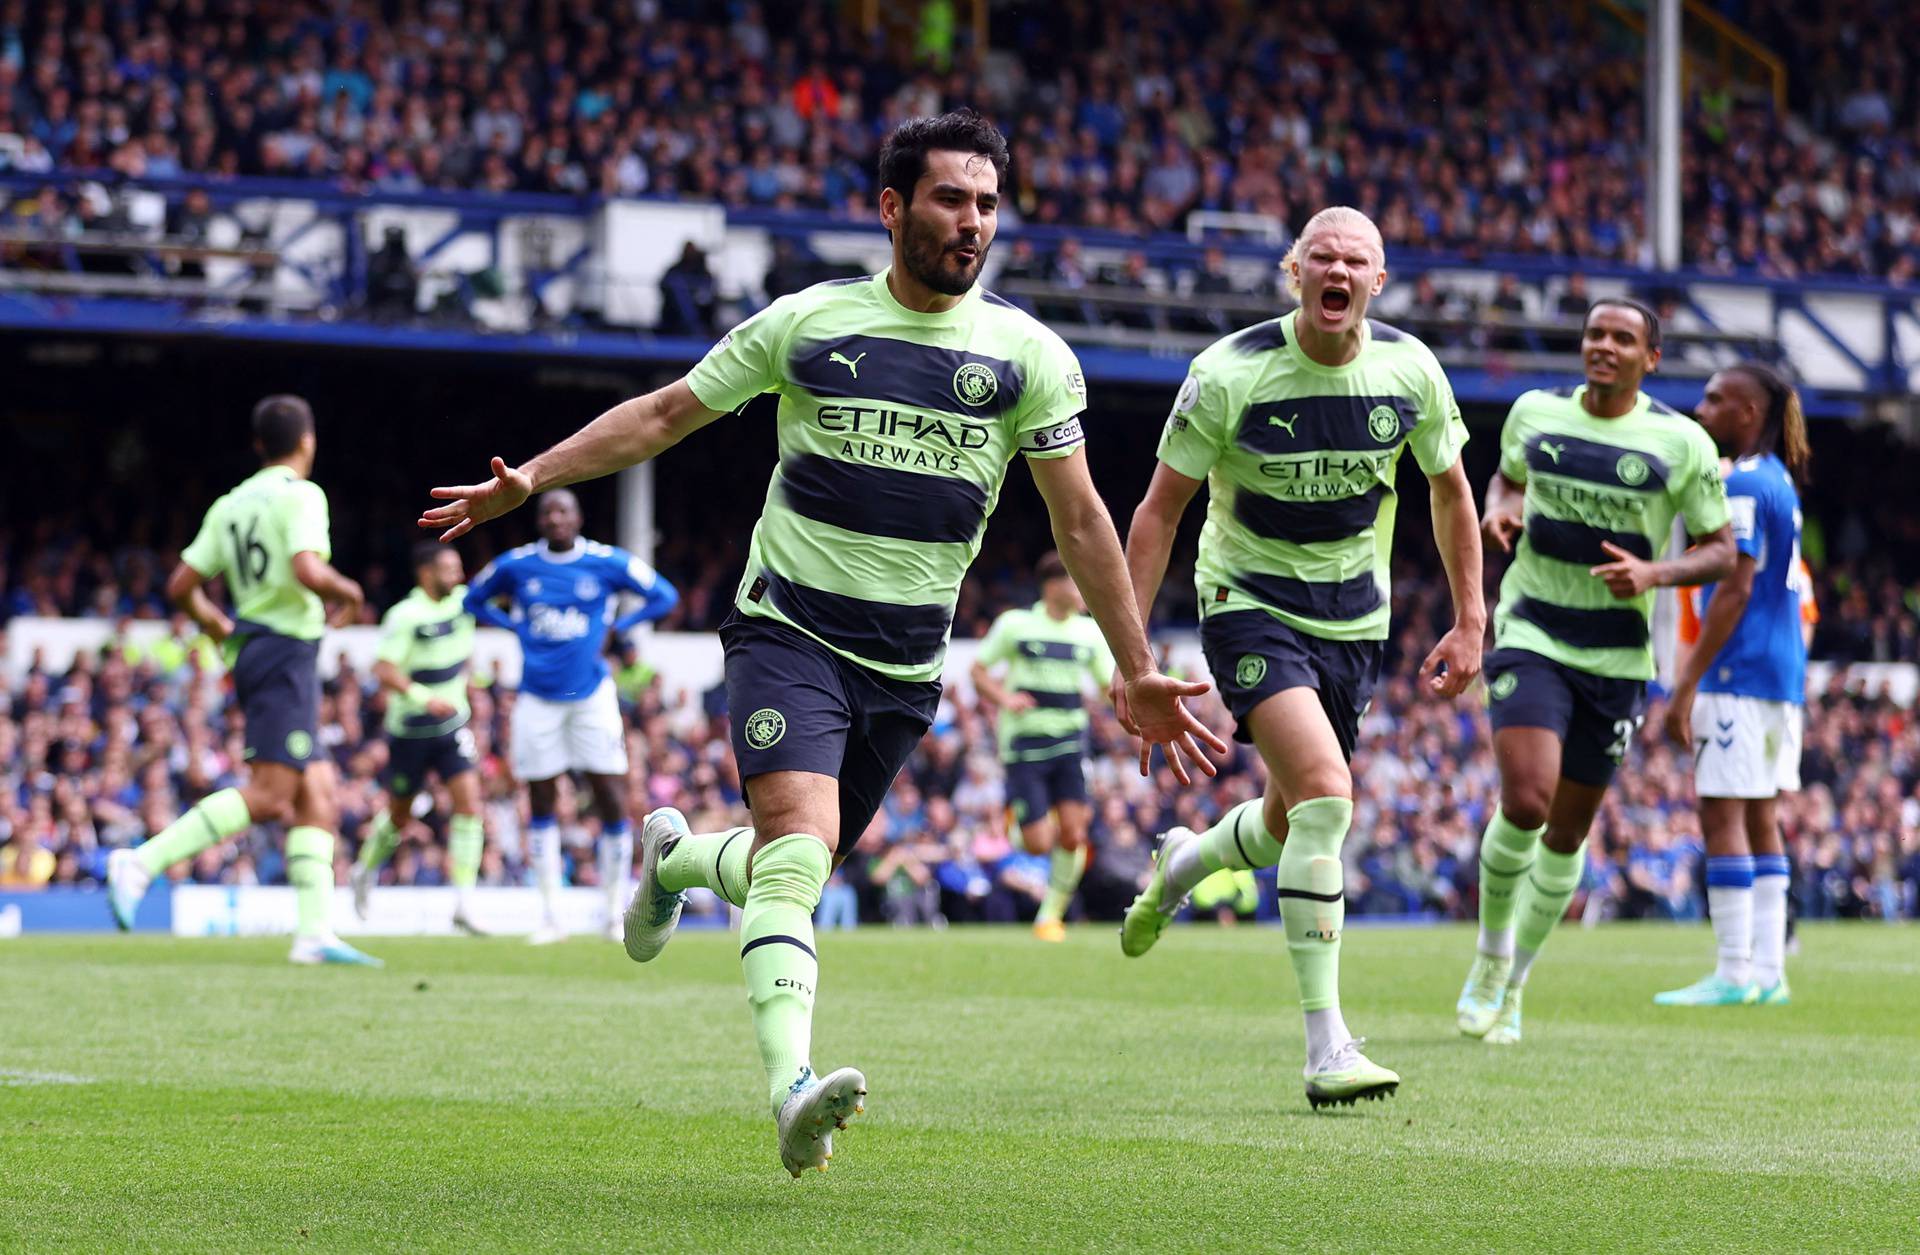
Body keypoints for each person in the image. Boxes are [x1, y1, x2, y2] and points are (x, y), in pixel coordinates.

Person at [420, 109, 1223, 1177]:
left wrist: (1132, 664)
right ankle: (794, 1090)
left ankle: (676, 859)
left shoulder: (1029, 355)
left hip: (905, 666)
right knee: (799, 853)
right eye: (950, 198)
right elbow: (664, 415)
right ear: (892, 208)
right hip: (787, 629)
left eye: (987, 203)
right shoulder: (807, 324)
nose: (972, 221)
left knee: (780, 866)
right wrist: (535, 479)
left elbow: (1079, 519)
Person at [1115, 205, 1486, 1110]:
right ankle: (1328, 1046)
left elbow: (1450, 491)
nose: (1339, 271)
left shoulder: (1411, 369)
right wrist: (1129, 657)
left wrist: (1473, 617)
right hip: (1247, 603)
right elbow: (1159, 512)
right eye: (1322, 256)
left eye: (1357, 259)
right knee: (1327, 797)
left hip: (1355, 621)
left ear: (1379, 281)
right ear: (1294, 271)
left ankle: (1185, 863)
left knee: (1288, 826)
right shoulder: (1228, 372)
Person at [1456, 299, 1736, 1045]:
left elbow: (1719, 548)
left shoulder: (1681, 444)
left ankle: (1516, 985)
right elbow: (1506, 481)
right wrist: (1499, 511)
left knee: (1568, 832)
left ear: (1651, 357)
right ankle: (1488, 957)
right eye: (1594, 334)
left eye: (1622, 338)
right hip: (1533, 627)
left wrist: (1654, 572)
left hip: (1616, 655)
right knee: (1527, 798)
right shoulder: (1533, 413)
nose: (1602, 346)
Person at [105, 395, 378, 967]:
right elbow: (308, 567)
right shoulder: (302, 494)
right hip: (283, 652)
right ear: (307, 441)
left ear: (259, 445)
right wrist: (349, 592)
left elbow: (182, 584)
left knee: (318, 794)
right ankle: (143, 861)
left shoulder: (231, 503)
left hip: (261, 648)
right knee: (273, 794)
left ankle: (313, 934)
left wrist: (216, 625)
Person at [1656, 364, 1811, 1007]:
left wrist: (1686, 683)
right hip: (1782, 677)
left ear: (1747, 412)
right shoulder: (1779, 481)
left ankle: (1733, 970)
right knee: (1762, 816)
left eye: (1716, 398)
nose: (1702, 406)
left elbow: (1735, 588)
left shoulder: (1744, 484)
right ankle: (1769, 973)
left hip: (1737, 673)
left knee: (1722, 814)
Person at [462, 490, 678, 945]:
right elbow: (472, 599)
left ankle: (611, 912)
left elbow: (664, 595)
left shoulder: (606, 562)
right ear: (539, 521)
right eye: (548, 512)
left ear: (578, 518)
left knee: (611, 796)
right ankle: (550, 916)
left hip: (591, 698)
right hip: (536, 699)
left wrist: (617, 628)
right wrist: (510, 624)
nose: (556, 517)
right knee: (540, 800)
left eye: (564, 510)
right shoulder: (517, 565)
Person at [969, 550, 1115, 941]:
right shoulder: (1016, 625)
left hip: (1070, 742)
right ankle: (1018, 825)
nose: (1085, 590)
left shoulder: (1089, 632)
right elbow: (978, 672)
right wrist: (1004, 699)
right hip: (1023, 745)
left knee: (1073, 834)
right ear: (1053, 585)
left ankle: (1050, 917)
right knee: (1037, 845)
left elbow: (1106, 689)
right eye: (1077, 580)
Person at [351, 542, 486, 935]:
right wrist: (423, 698)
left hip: (452, 727)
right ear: (425, 573)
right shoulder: (404, 616)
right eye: (448, 569)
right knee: (399, 817)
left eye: (459, 568)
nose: (457, 576)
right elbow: (383, 669)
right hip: (409, 730)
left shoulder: (465, 602)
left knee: (469, 806)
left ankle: (464, 901)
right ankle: (363, 871)